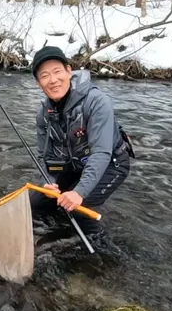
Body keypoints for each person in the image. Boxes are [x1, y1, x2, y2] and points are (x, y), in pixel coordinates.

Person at [29, 45, 135, 237]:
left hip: (112, 162)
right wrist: (49, 182)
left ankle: (99, 249)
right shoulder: (43, 114)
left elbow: (102, 153)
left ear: (69, 71)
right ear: (39, 83)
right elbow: (46, 156)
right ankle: (51, 238)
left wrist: (80, 192)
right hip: (74, 164)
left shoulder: (97, 101)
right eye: (44, 76)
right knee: (36, 204)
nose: (53, 80)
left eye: (57, 72)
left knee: (78, 209)